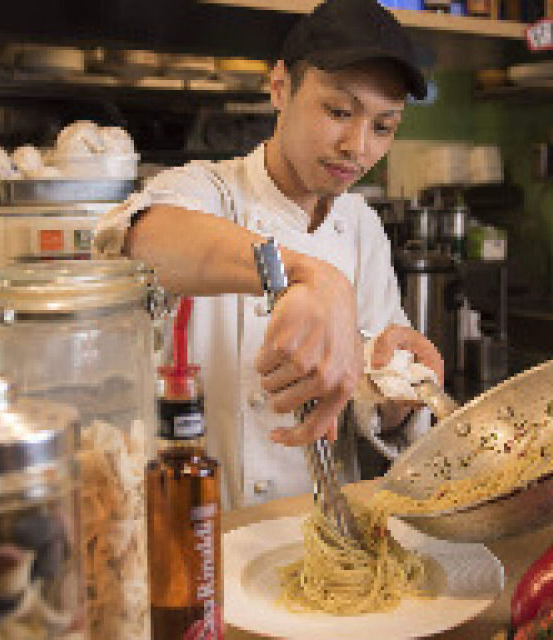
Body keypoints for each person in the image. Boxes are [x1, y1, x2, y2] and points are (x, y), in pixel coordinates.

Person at [94, 0, 443, 509]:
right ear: (281, 88)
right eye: (338, 112)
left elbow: (369, 394)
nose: (357, 146)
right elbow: (141, 241)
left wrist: (400, 394)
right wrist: (307, 276)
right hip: (203, 527)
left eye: (383, 126)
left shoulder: (361, 226)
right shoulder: (208, 189)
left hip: (319, 532)